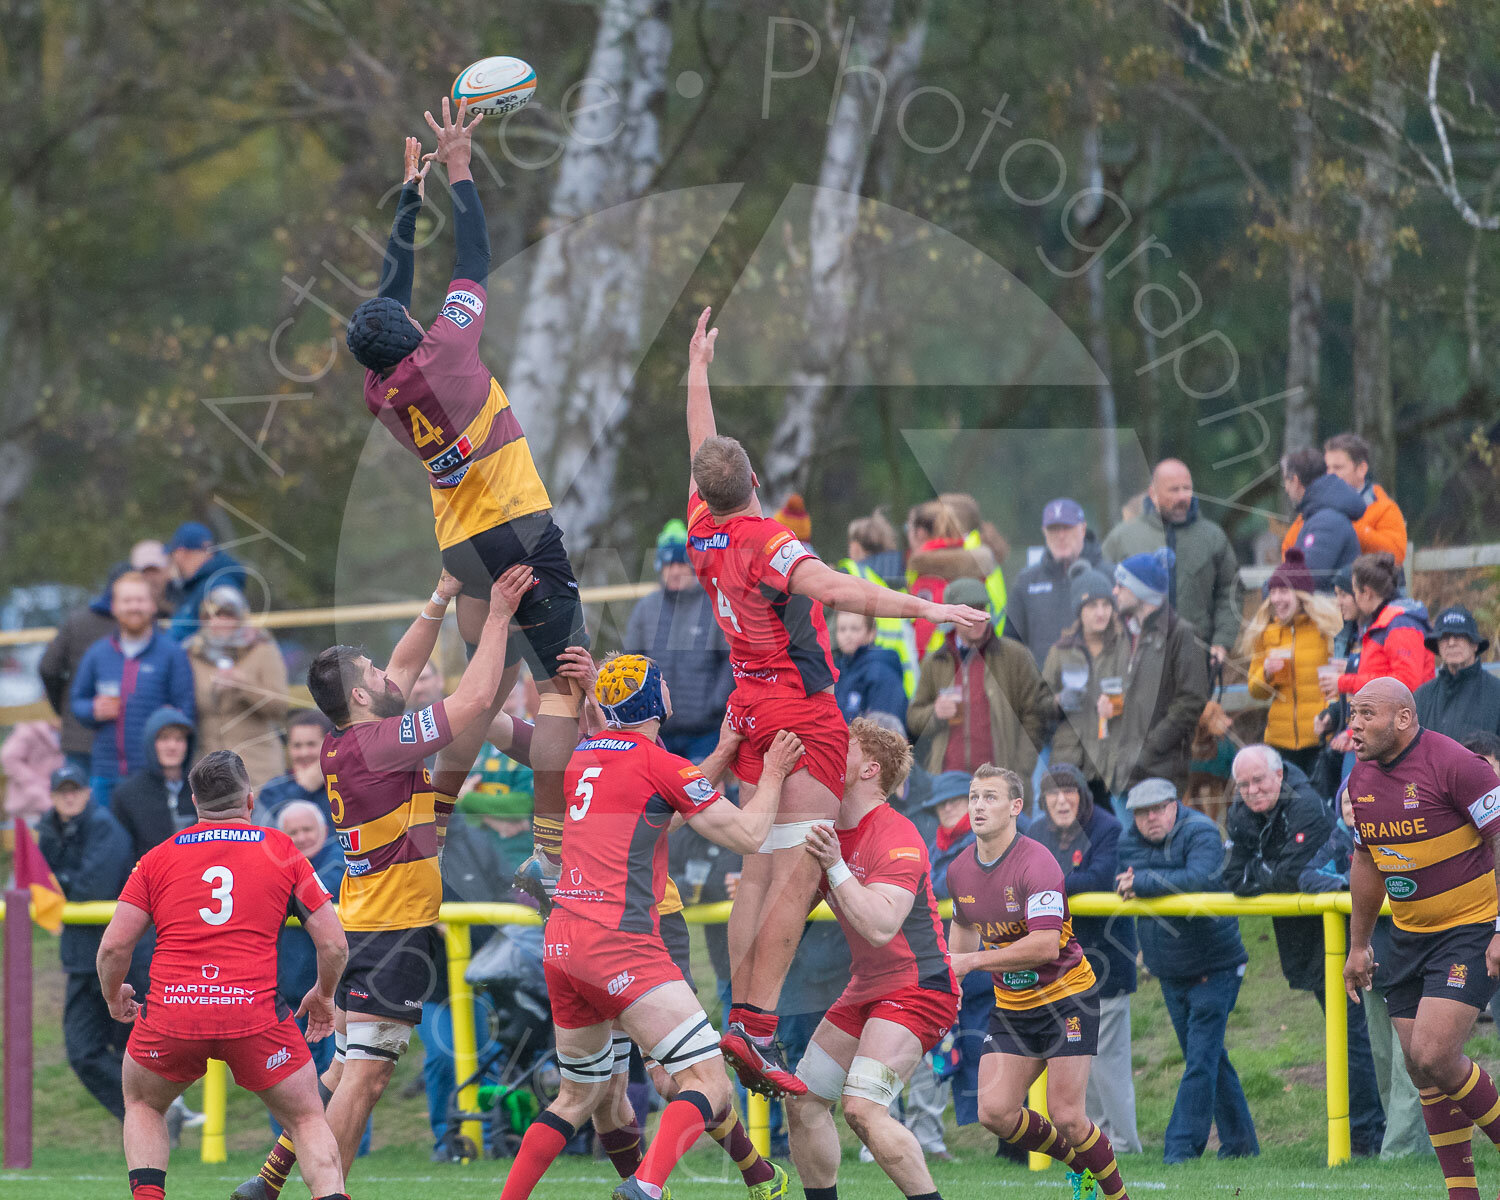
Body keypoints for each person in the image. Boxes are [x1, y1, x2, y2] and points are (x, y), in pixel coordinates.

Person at [683, 306, 987, 1097]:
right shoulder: (763, 540)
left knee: (757, 872)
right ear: (755, 482)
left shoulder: (704, 524)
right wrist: (931, 610)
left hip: (747, 708)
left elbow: (701, 450)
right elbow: (842, 586)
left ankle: (737, 1020)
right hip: (797, 711)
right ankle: (754, 1029)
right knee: (802, 873)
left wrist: (698, 372)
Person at [344, 105, 587, 905]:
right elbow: (476, 259)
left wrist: (408, 202)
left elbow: (386, 300)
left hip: (462, 548)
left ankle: (432, 825)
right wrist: (458, 166)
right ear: (416, 333)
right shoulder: (446, 350)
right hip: (521, 532)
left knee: (481, 693)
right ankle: (550, 859)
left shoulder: (381, 387)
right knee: (565, 692)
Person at [235, 566, 531, 1200]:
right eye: (372, 674)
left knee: (344, 1067)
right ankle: (328, 1193)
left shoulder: (348, 740)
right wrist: (499, 618)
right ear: (362, 698)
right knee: (366, 1081)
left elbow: (400, 668)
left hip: (365, 920)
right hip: (391, 933)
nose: (387, 676)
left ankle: (268, 1181)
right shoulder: (380, 743)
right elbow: (476, 702)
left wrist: (441, 598)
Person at [498, 656, 802, 1200]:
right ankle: (648, 1187)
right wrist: (774, 773)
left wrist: (597, 695)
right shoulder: (661, 764)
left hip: (563, 940)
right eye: (660, 680)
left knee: (577, 1097)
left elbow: (631, 772)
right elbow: (750, 836)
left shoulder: (583, 753)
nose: (668, 684)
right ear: (653, 702)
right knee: (706, 1082)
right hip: (620, 943)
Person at [97, 750, 348, 1200]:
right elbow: (333, 944)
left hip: (173, 1015)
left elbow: (114, 946)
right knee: (307, 1117)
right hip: (254, 1018)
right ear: (250, 801)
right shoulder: (281, 850)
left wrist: (115, 995)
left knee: (143, 1104)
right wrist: (323, 994)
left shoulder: (158, 858)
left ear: (194, 801)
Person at [784, 719, 961, 1200]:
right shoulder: (828, 830)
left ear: (870, 769)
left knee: (862, 1109)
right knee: (801, 1104)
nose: (828, 750)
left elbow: (882, 925)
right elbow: (786, 916)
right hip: (869, 986)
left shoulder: (895, 831)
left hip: (920, 987)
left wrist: (835, 864)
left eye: (843, 747)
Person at [1342, 678, 1500, 1200]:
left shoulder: (1456, 764)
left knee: (1435, 1054)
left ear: (1404, 719)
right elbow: (1367, 862)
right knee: (1420, 1068)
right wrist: (1359, 945)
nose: (1354, 725)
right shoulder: (1360, 780)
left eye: (1366, 714)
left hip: (1469, 928)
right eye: (1351, 714)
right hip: (1407, 937)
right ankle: (1463, 1193)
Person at [949, 765, 1133, 1200]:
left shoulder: (1038, 861)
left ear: (1016, 807)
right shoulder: (959, 870)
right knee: (993, 1111)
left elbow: (1046, 945)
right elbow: (961, 929)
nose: (978, 805)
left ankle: (1118, 1196)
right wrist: (950, 985)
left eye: (990, 797)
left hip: (1067, 997)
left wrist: (973, 962)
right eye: (974, 796)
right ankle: (1078, 1166)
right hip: (1013, 1004)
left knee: (1067, 1115)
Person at [1222, 744, 1386, 1155]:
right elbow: (1233, 877)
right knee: (1348, 1037)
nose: (1252, 791)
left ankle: (1371, 1136)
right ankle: (1361, 1135)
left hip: (1348, 939)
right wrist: (1270, 873)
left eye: (1259, 780)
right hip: (1307, 944)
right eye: (1243, 784)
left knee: (1360, 1038)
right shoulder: (1243, 811)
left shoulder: (1307, 806)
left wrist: (1261, 871)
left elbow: (1296, 874)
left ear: (1279, 775)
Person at [1116, 777, 1259, 1163]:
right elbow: (1153, 879)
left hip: (1217, 964)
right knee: (1209, 1057)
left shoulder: (1201, 831)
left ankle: (1180, 1148)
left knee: (1200, 1060)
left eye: (1158, 808)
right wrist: (1158, 882)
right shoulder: (1129, 839)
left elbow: (1199, 877)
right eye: (1143, 813)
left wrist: (1145, 882)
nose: (1151, 818)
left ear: (1174, 805)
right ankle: (1241, 1145)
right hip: (1170, 968)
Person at [1301, 787, 1431, 1160]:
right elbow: (1307, 875)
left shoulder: (1400, 838)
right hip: (1371, 967)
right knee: (1383, 1062)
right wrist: (1351, 886)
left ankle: (1400, 1153)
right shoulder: (1339, 842)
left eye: (1359, 802)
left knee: (1411, 1062)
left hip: (1411, 962)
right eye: (1345, 802)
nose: (1353, 809)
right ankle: (1409, 1148)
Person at [1028, 763, 1142, 1155]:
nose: (1062, 801)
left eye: (1070, 792)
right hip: (1055, 971)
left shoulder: (1107, 828)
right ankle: (1093, 1143)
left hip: (1105, 963)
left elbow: (1097, 878)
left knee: (1109, 1065)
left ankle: (1125, 1146)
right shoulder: (1036, 831)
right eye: (1053, 794)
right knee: (1079, 1067)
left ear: (1083, 796)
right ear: (1043, 801)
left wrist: (1044, 886)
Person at [37, 763, 137, 1121]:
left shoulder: (104, 826)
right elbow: (38, 885)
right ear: (51, 796)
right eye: (61, 790)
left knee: (132, 1050)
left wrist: (56, 886)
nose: (69, 796)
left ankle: (151, 1113)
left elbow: (90, 888)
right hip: (80, 958)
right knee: (82, 1052)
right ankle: (144, 1115)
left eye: (74, 788)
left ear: (87, 791)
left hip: (121, 958)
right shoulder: (48, 828)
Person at [271, 803, 370, 1155]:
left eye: (307, 830)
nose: (301, 838)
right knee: (284, 1079)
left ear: (325, 831)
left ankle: (352, 1149)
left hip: (338, 992)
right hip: (287, 995)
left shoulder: (342, 866)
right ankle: (287, 1151)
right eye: (293, 833)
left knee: (345, 1071)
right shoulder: (276, 867)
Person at [69, 571, 196, 808]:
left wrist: (170, 724)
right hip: (105, 773)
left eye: (140, 600)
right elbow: (77, 701)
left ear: (152, 605)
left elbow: (186, 711)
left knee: (150, 845)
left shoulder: (172, 654)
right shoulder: (98, 653)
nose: (134, 607)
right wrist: (93, 710)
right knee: (108, 842)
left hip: (153, 776)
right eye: (127, 601)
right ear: (114, 607)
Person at [907, 576, 1050, 781]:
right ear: (951, 616)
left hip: (1000, 782)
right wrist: (935, 713)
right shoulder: (935, 662)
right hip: (949, 784)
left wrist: (1019, 771)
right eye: (969, 611)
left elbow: (1034, 716)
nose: (978, 618)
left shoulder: (1015, 656)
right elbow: (914, 718)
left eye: (982, 609)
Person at [1101, 458, 1241, 664]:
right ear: (1153, 494)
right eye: (1174, 490)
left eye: (1187, 488)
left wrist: (1222, 641)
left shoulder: (1212, 537)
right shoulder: (1122, 538)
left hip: (1197, 656)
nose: (1183, 496)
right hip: (1138, 657)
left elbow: (1230, 590)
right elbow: (1103, 594)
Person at [1101, 552, 1210, 807]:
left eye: (1121, 585)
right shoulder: (1128, 635)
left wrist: (1147, 750)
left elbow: (1191, 701)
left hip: (1158, 773)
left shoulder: (1181, 634)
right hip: (1123, 772)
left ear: (1141, 591)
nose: (1114, 592)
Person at [622, 520, 733, 761]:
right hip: (657, 732)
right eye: (668, 564)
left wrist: (717, 704)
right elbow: (629, 662)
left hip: (705, 733)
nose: (675, 571)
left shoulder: (714, 605)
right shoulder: (645, 609)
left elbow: (730, 660)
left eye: (682, 563)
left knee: (703, 796)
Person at [1238, 550, 1343, 777]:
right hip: (1279, 740)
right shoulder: (1267, 632)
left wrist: (1330, 717)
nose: (1276, 598)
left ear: (1301, 595)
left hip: (1319, 737)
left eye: (1284, 591)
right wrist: (1265, 673)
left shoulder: (1325, 629)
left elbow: (1340, 681)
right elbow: (1256, 692)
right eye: (1273, 591)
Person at [184, 586, 289, 791]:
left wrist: (243, 684)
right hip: (210, 773)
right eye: (211, 616)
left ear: (240, 617)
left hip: (258, 770)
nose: (219, 622)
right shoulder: (192, 654)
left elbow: (279, 706)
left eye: (227, 615)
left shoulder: (263, 649)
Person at [1043, 562, 1129, 807]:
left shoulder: (1127, 647)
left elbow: (1145, 698)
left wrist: (1118, 705)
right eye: (1092, 605)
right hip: (1070, 763)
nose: (1100, 612)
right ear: (1079, 611)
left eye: (1106, 605)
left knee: (1113, 834)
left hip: (1113, 763)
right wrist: (1058, 701)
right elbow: (1038, 702)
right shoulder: (1060, 651)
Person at [41, 562, 130, 774]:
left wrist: (63, 705)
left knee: (76, 800)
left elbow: (48, 667)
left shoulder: (77, 621)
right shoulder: (138, 627)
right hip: (118, 741)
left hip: (78, 735)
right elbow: (48, 667)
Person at [1005, 498, 1111, 668]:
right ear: (1044, 532)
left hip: (1100, 686)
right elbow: (1010, 644)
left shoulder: (1108, 576)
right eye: (1053, 529)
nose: (1060, 536)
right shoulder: (1026, 582)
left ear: (1083, 529)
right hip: (1045, 689)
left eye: (1067, 528)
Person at [1326, 553, 1434, 699]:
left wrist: (1345, 682)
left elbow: (1406, 684)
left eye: (1355, 591)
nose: (1356, 598)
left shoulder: (1401, 625)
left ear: (1367, 593)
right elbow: (1380, 671)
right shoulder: (1383, 623)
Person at [841, 512, 917, 693]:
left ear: (855, 547)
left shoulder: (851, 572)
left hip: (866, 666)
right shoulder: (901, 574)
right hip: (905, 672)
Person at [905, 499, 990, 658]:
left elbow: (922, 636)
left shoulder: (928, 577)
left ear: (921, 533)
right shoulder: (974, 566)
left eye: (908, 528)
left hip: (940, 663)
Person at [111, 708, 197, 865]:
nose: (172, 746)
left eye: (179, 739)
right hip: (148, 881)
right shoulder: (128, 794)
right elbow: (121, 854)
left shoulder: (202, 789)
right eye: (164, 738)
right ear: (151, 743)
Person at [1314, 432, 1409, 563]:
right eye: (1327, 468)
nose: (1330, 474)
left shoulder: (1385, 509)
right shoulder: (1315, 508)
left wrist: (1349, 528)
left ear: (1361, 469)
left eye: (1338, 467)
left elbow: (1396, 556)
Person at [1278, 448, 1365, 587]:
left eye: (1285, 482)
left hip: (1328, 607)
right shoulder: (1322, 515)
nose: (1286, 489)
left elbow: (1311, 576)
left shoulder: (1327, 520)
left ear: (1294, 480)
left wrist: (1272, 586)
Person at [1416, 605, 1500, 741]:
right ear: (1437, 645)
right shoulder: (1422, 696)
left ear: (1475, 644)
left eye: (1459, 636)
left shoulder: (1496, 692)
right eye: (1444, 637)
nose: (1451, 642)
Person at [164, 522, 248, 642]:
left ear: (180, 553)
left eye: (172, 554)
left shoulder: (216, 586)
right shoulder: (203, 585)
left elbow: (225, 639)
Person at [254, 711, 337, 829]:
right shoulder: (273, 788)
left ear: (328, 745)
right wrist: (303, 789)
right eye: (297, 746)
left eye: (311, 744)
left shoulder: (342, 786)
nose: (304, 753)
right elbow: (268, 828)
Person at [832, 612, 908, 725]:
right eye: (842, 629)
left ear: (871, 632)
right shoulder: (837, 669)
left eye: (855, 629)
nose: (848, 634)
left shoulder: (881, 670)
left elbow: (885, 728)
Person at [2, 717, 62, 821]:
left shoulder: (64, 732)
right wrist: (33, 785)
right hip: (28, 806)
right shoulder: (29, 729)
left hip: (54, 802)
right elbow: (9, 757)